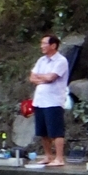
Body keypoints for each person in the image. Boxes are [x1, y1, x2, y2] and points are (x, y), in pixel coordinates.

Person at [29, 34, 69, 166]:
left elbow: (51, 77)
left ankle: (59, 158)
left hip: (54, 100)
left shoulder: (61, 61)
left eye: (44, 43)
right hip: (40, 100)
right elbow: (32, 78)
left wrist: (41, 77)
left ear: (53, 45)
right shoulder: (41, 60)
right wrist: (42, 77)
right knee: (43, 131)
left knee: (56, 131)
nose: (42, 46)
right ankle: (48, 156)